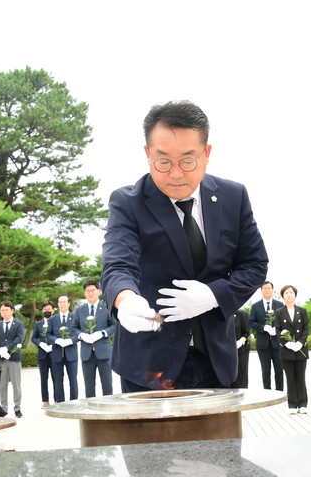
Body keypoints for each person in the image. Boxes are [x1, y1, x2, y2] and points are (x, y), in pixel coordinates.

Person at [101, 100, 268, 391]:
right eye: (163, 161)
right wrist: (125, 299)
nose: (176, 173)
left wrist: (214, 295)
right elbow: (118, 264)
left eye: (188, 161)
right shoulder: (128, 203)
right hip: (150, 365)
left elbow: (254, 264)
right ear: (147, 154)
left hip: (216, 360)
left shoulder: (233, 196)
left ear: (206, 154)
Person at [71, 279, 117, 397]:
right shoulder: (80, 310)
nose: (90, 293)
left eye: (93, 290)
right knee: (89, 387)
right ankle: (91, 407)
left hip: (104, 353)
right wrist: (81, 335)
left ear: (99, 291)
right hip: (87, 354)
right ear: (84, 293)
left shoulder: (106, 307)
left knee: (107, 385)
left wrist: (102, 333)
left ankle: (108, 407)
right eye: (88, 291)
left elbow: (114, 325)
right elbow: (74, 328)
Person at [274, 285, 309, 414]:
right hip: (286, 350)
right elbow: (278, 330)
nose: (289, 294)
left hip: (301, 349)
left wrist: (300, 343)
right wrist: (286, 343)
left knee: (301, 377)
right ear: (283, 296)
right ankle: (292, 405)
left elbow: (305, 328)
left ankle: (303, 404)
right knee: (290, 378)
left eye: (291, 292)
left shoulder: (302, 311)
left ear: (295, 295)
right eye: (286, 293)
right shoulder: (279, 312)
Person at [249, 281, 284, 390]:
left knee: (279, 370)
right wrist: (263, 327)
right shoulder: (255, 306)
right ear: (261, 290)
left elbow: (284, 321)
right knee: (265, 370)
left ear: (272, 290)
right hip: (263, 344)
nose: (267, 290)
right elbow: (251, 322)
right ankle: (267, 393)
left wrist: (276, 329)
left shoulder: (280, 305)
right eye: (265, 288)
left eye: (269, 288)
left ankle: (280, 392)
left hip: (277, 343)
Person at [47, 294, 79, 402]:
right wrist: (57, 340)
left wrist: (71, 340)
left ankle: (74, 401)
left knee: (73, 380)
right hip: (57, 353)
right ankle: (60, 402)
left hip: (71, 353)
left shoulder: (75, 317)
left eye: (64, 302)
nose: (62, 304)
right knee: (58, 380)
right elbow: (48, 334)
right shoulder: (53, 319)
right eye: (60, 302)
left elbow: (79, 333)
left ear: (69, 303)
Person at [0, 300, 24, 418]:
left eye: (6, 310)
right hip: (1, 358)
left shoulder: (18, 324)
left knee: (16, 384)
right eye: (2, 310)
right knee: (2, 385)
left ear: (12, 310)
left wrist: (7, 348)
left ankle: (17, 407)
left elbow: (19, 338)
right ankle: (3, 408)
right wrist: (0, 350)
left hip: (14, 357)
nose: (4, 312)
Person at [31, 301, 55, 409]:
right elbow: (34, 338)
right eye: (45, 309)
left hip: (54, 354)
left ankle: (57, 399)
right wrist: (40, 344)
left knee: (56, 378)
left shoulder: (56, 322)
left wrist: (53, 345)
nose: (47, 311)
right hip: (42, 355)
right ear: (42, 311)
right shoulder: (38, 324)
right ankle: (45, 401)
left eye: (49, 309)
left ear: (53, 310)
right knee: (44, 379)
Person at [231, 308, 251, 388]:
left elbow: (246, 332)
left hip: (240, 350)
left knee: (241, 375)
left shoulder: (242, 314)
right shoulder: (222, 313)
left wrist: (239, 342)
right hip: (226, 350)